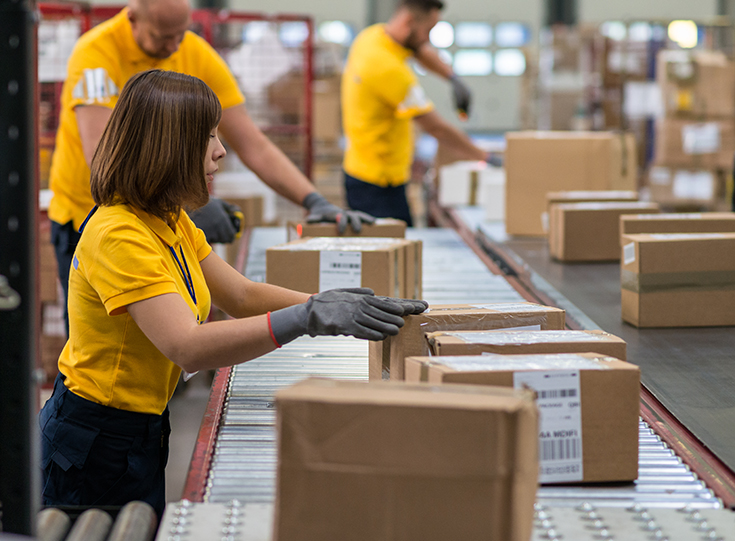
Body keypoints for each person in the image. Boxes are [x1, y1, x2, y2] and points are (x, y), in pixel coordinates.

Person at [39, 70, 428, 516]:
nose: (220, 151)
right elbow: (187, 347)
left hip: (140, 427)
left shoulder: (168, 218)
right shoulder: (119, 234)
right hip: (93, 440)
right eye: (207, 137)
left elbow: (239, 294)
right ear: (168, 147)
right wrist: (306, 320)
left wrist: (329, 303)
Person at [47, 0, 373, 329]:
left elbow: (252, 142)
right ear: (132, 16)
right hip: (87, 213)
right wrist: (191, 204)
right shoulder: (96, 55)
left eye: (181, 34)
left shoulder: (193, 51)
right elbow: (107, 154)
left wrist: (312, 200)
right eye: (163, 37)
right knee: (115, 331)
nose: (175, 46)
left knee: (163, 331)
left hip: (157, 211)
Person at [341, 0, 500, 226]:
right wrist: (484, 157)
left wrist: (452, 78)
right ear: (409, 22)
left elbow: (419, 50)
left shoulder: (373, 37)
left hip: (370, 172)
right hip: (376, 185)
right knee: (394, 252)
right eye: (428, 31)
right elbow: (436, 128)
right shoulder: (388, 69)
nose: (428, 40)